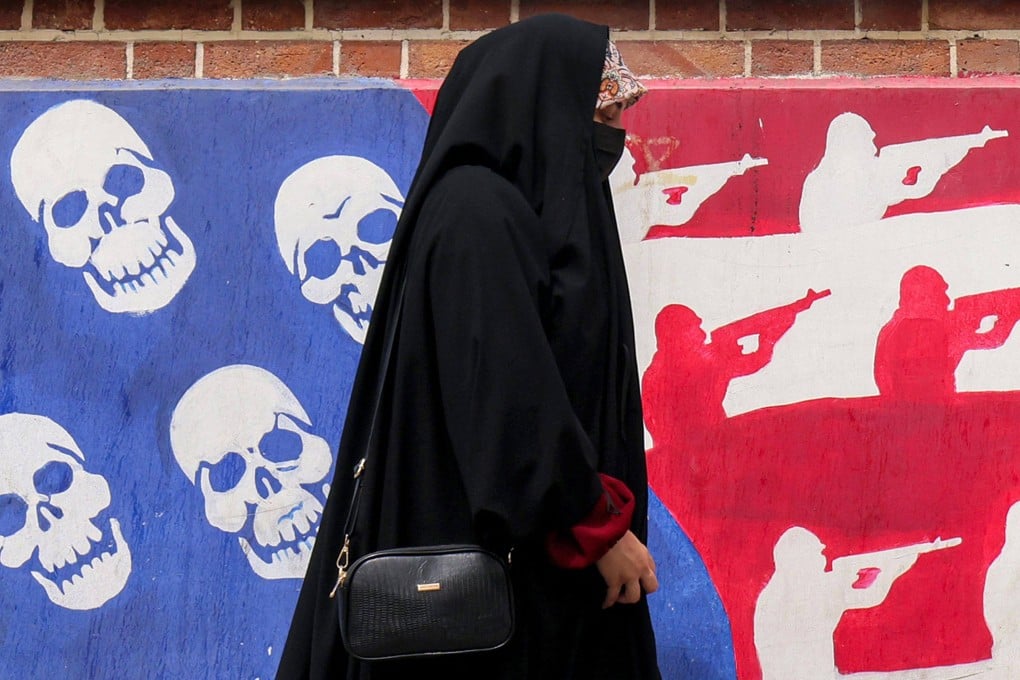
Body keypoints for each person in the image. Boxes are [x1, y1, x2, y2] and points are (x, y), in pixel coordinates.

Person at [277, 14, 660, 679]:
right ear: (543, 106)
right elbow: (508, 402)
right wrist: (594, 527)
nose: (614, 134)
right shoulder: (477, 214)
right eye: (601, 113)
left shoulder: (510, 214)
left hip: (536, 592)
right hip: (500, 607)